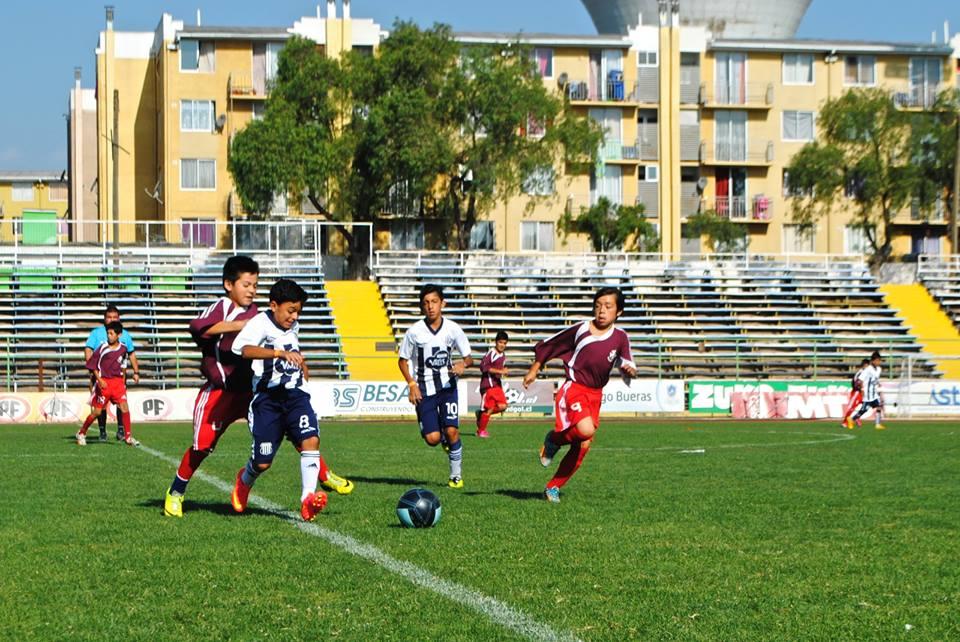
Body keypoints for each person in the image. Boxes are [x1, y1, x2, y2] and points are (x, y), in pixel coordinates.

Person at [229, 279, 332, 521]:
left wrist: (302, 366)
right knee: (262, 463)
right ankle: (244, 479)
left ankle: (307, 499)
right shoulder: (260, 323)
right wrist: (279, 353)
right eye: (291, 311)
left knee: (311, 440)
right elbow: (243, 349)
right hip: (267, 400)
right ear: (274, 305)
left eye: (298, 312)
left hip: (295, 396)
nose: (294, 317)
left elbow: (292, 348)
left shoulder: (292, 324)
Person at [522, 287, 637, 503]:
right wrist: (534, 369)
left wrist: (629, 371)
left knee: (583, 445)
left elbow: (628, 363)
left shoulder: (621, 337)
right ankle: (553, 440)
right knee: (585, 430)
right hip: (575, 388)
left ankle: (553, 487)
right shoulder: (581, 329)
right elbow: (552, 345)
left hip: (596, 395)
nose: (602, 310)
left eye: (608, 306)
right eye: (598, 305)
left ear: (619, 312)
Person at [397, 284, 473, 488]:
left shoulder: (453, 329)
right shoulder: (414, 332)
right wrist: (411, 384)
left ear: (442, 304)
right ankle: (442, 437)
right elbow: (402, 361)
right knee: (432, 439)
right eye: (426, 303)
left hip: (448, 387)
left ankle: (456, 476)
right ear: (422, 307)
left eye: (434, 302)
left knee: (452, 431)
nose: (430, 306)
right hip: (424, 390)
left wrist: (462, 364)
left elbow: (469, 358)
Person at [77, 321, 138, 446]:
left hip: (117, 383)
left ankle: (128, 437)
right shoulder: (102, 348)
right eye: (108, 333)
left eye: (111, 333)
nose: (109, 336)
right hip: (104, 382)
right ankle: (82, 432)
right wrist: (99, 380)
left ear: (119, 335)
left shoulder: (124, 349)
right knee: (97, 412)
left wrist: (125, 380)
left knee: (124, 407)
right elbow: (93, 365)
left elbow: (123, 365)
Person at [475, 331, 509, 438]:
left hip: (497, 385)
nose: (502, 345)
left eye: (504, 343)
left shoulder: (503, 355)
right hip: (488, 386)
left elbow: (499, 370)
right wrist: (500, 371)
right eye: (500, 342)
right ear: (496, 342)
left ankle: (481, 415)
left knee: (503, 406)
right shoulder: (491, 353)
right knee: (489, 409)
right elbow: (483, 367)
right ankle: (481, 431)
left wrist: (503, 372)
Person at [847, 351, 886, 430]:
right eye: (877, 360)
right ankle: (851, 419)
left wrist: (878, 383)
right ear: (872, 361)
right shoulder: (868, 369)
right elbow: (860, 380)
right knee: (864, 410)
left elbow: (875, 379)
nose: (878, 362)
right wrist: (862, 389)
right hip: (868, 394)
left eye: (879, 360)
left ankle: (877, 424)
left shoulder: (879, 369)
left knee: (879, 407)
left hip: (874, 394)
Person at [841, 358, 870, 429]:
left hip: (864, 392)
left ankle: (856, 418)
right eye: (866, 366)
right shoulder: (860, 373)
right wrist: (860, 389)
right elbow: (856, 383)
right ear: (863, 365)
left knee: (865, 407)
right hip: (857, 392)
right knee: (851, 407)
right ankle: (845, 422)